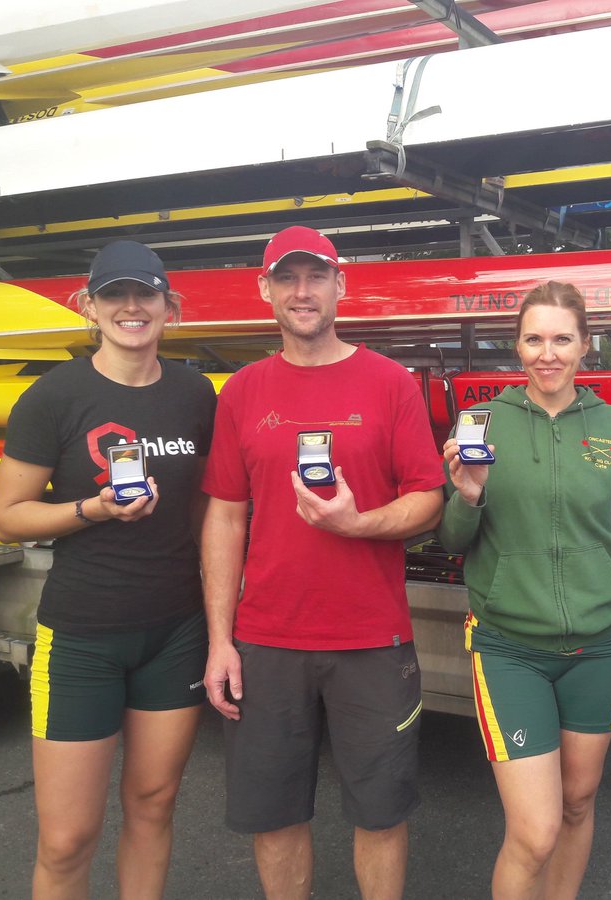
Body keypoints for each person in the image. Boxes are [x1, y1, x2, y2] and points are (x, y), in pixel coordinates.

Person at [200, 225, 444, 900]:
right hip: (268, 642)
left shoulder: (391, 384)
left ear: (342, 286)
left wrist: (358, 523)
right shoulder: (244, 392)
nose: (301, 293)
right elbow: (224, 515)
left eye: (315, 278)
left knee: (381, 814)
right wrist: (220, 640)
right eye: (287, 279)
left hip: (373, 641)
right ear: (266, 290)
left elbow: (428, 499)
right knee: (274, 818)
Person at [437, 281, 611, 900]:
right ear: (516, 345)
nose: (546, 354)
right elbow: (450, 539)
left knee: (577, 803)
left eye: (561, 339)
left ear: (585, 345)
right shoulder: (485, 422)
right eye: (533, 339)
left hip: (602, 648)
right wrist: (468, 494)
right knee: (535, 829)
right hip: (510, 649)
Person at [0, 240, 216, 899]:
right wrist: (90, 509)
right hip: (83, 636)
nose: (131, 307)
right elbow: (7, 513)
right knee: (66, 841)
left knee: (151, 805)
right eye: (114, 294)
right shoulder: (54, 398)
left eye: (145, 294)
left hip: (176, 630)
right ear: (88, 306)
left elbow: (207, 506)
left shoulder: (193, 392)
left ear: (169, 308)